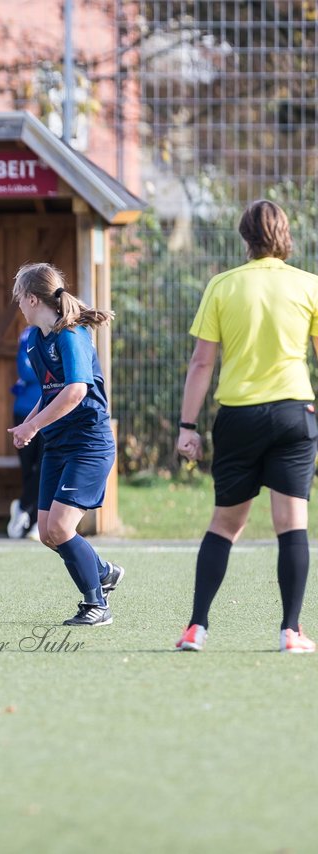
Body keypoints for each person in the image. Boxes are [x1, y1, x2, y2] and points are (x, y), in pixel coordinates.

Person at [175, 200, 318, 654]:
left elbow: (202, 362)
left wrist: (187, 425)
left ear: (244, 239)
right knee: (292, 523)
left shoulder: (222, 285)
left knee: (225, 524)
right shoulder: (309, 285)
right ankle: (291, 632)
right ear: (285, 235)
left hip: (238, 418)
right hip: (295, 415)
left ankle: (197, 628)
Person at [8, 263, 124, 627]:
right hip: (59, 445)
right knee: (46, 533)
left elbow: (75, 391)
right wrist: (28, 425)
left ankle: (97, 605)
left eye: (19, 299)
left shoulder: (71, 335)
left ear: (31, 298)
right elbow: (51, 392)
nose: (19, 307)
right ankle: (101, 571)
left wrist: (34, 427)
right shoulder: (36, 341)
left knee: (60, 528)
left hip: (88, 445)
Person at [8, 325, 43, 539]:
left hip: (51, 412)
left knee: (46, 466)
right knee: (28, 469)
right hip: (24, 410)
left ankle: (29, 512)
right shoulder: (28, 334)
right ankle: (28, 517)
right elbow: (25, 369)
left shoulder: (63, 331)